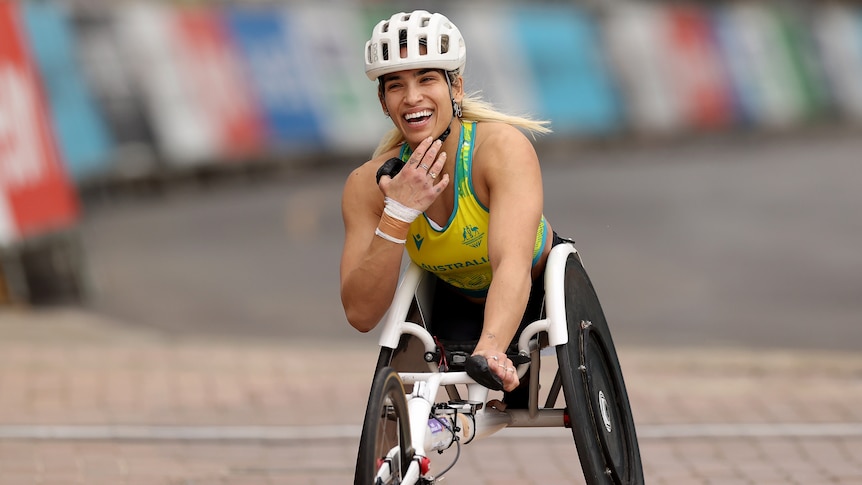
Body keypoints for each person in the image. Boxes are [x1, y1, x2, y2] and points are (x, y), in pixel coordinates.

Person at [340, 9, 564, 401]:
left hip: (536, 290)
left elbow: (511, 264)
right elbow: (361, 314)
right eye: (395, 86)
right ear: (383, 101)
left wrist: (491, 347)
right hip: (453, 304)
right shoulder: (367, 185)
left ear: (455, 87)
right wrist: (398, 215)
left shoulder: (500, 150)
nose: (412, 98)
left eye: (426, 78)